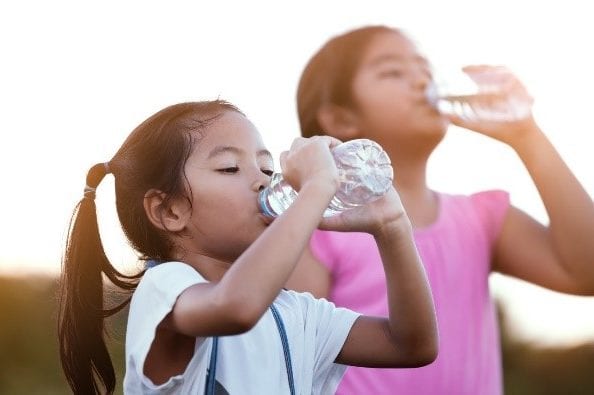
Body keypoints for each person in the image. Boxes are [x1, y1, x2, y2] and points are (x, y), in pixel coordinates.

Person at [287, 25, 594, 395]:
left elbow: (584, 272)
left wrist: (527, 137)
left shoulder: (481, 219)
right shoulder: (321, 225)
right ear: (340, 120)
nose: (421, 82)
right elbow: (294, 352)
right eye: (392, 71)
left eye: (425, 71)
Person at [57, 100, 438, 395]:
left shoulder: (296, 312)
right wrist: (319, 186)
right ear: (169, 210)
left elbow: (410, 345)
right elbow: (236, 307)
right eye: (229, 168)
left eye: (268, 169)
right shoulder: (166, 289)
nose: (263, 183)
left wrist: (393, 228)